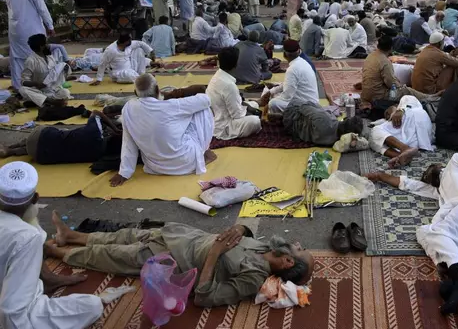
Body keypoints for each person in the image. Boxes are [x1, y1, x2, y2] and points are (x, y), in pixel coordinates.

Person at [47, 211, 313, 307]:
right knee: (125, 236)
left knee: (111, 255)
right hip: (180, 235)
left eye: (298, 249)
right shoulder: (269, 246)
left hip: (171, 257)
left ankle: (57, 252)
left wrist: (213, 255)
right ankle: (70, 235)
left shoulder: (253, 278)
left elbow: (204, 296)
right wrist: (241, 229)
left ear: (288, 262)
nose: (297, 243)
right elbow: (244, 231)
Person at [366, 153, 458, 314]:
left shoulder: (456, 160)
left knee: (438, 233)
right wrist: (380, 176)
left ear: (438, 166)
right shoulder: (438, 191)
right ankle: (456, 275)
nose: (426, 175)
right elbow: (409, 184)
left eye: (428, 171)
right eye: (425, 176)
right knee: (423, 232)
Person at [0, 162, 104, 328]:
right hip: (12, 315)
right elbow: (11, 309)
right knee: (92, 305)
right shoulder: (26, 237)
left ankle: (49, 279)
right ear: (36, 198)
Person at [109, 74, 216, 187]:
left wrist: (124, 173)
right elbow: (205, 99)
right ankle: (204, 152)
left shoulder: (128, 108)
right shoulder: (171, 106)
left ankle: (200, 152)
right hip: (187, 163)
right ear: (157, 89)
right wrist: (172, 94)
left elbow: (128, 143)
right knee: (203, 110)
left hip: (155, 166)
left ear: (136, 93)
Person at [0, 0, 54, 90]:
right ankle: (40, 82)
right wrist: (50, 25)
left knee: (17, 58)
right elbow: (42, 8)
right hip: (32, 27)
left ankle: (19, 86)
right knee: (37, 56)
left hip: (15, 28)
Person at [0, 108, 121, 164]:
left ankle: (10, 147)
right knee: (61, 145)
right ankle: (13, 151)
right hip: (41, 157)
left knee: (58, 134)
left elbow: (96, 112)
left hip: (39, 138)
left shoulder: (95, 131)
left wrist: (115, 128)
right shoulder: (101, 156)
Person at [206, 47, 261, 140]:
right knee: (255, 121)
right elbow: (237, 115)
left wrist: (248, 107)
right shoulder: (229, 85)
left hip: (216, 117)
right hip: (224, 126)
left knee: (254, 105)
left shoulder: (218, 75)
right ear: (236, 65)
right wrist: (249, 112)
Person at [361, 36, 429, 105]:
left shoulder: (369, 56)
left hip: (365, 94)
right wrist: (401, 87)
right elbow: (390, 83)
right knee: (407, 91)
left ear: (378, 46)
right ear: (391, 48)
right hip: (379, 96)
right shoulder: (385, 61)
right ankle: (429, 98)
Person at [369, 95, 433, 168]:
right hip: (417, 142)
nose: (387, 116)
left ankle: (405, 149)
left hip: (413, 132)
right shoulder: (388, 125)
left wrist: (401, 110)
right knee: (377, 142)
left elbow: (409, 99)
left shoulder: (406, 107)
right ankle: (400, 156)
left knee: (374, 132)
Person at [260, 40, 318, 115]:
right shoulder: (302, 61)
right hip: (310, 101)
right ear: (299, 51)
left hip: (306, 106)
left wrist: (270, 102)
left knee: (273, 103)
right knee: (275, 92)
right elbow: (287, 85)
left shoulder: (292, 69)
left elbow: (287, 96)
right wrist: (271, 92)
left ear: (284, 54)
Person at [18, 34, 72, 108]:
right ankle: (51, 102)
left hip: (52, 90)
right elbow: (23, 81)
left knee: (65, 92)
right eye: (46, 43)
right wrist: (37, 83)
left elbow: (56, 73)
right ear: (41, 46)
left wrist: (64, 69)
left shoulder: (49, 57)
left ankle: (41, 102)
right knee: (23, 90)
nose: (48, 45)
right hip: (39, 90)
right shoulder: (31, 61)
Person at [283, 101, 363, 146]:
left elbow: (303, 106)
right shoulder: (333, 141)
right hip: (295, 130)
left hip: (290, 118)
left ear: (345, 119)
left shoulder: (324, 119)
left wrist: (320, 109)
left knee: (297, 100)